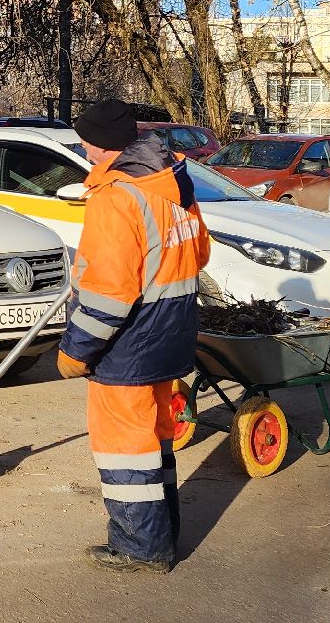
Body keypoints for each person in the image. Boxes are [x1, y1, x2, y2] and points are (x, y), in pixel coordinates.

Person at [56, 98, 210, 574]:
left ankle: (140, 548)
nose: (81, 149)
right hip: (172, 332)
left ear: (100, 145)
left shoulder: (116, 196)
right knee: (153, 438)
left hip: (130, 342)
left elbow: (108, 295)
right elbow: (199, 252)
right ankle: (162, 534)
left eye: (84, 142)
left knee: (124, 444)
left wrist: (75, 351)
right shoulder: (172, 184)